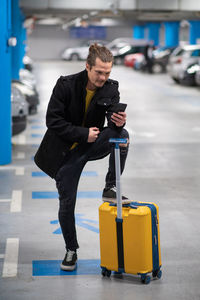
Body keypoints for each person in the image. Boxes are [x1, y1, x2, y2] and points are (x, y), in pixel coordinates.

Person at [34, 43, 130, 272]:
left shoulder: (110, 88)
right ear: (87, 67)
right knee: (67, 203)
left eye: (107, 72)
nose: (103, 77)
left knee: (123, 136)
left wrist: (119, 121)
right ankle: (71, 249)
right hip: (64, 153)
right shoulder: (65, 85)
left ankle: (110, 187)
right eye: (99, 72)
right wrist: (82, 133)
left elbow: (111, 122)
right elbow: (53, 121)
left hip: (91, 144)